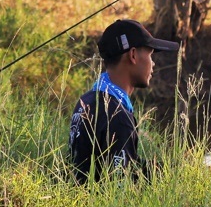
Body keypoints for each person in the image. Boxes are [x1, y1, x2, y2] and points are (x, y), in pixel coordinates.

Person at [68, 18, 179, 184]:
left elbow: (109, 165)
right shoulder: (118, 116)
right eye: (150, 55)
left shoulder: (87, 100)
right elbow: (120, 187)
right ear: (133, 55)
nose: (153, 63)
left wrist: (170, 170)